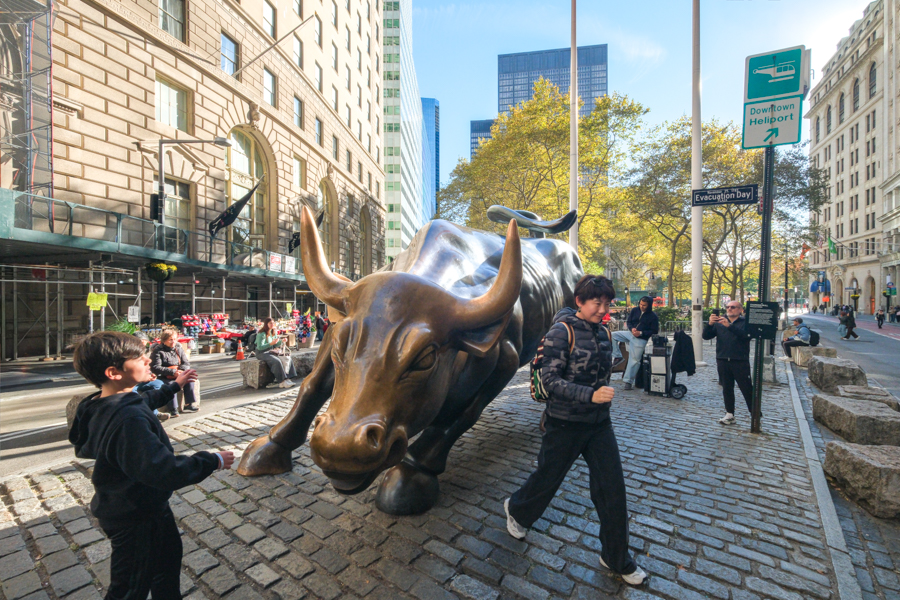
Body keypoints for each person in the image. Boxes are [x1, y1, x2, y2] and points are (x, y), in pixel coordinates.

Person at [69, 331, 234, 600]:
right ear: (114, 372)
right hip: (137, 517)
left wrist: (174, 386)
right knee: (129, 588)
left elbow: (142, 402)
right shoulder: (127, 419)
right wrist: (211, 460)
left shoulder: (103, 403)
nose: (148, 360)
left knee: (166, 566)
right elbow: (163, 470)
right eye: (138, 358)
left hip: (141, 506)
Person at [505, 275, 647, 586]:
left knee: (612, 490)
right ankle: (517, 509)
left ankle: (615, 557)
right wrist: (590, 395)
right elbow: (550, 380)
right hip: (564, 423)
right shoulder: (562, 331)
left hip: (599, 425)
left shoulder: (605, 332)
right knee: (547, 478)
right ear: (579, 302)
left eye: (607, 303)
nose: (603, 309)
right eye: (597, 303)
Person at [702, 301, 753, 425]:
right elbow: (706, 336)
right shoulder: (719, 322)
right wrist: (710, 324)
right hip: (723, 359)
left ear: (740, 309)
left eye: (733, 307)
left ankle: (755, 415)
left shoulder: (745, 322)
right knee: (727, 388)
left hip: (739, 360)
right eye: (728, 307)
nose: (729, 309)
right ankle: (729, 414)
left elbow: (746, 336)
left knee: (747, 389)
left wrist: (729, 326)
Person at [611, 296, 659, 390]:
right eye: (640, 304)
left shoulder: (653, 316)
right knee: (612, 335)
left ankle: (628, 382)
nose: (642, 306)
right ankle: (617, 355)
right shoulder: (635, 310)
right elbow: (629, 322)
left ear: (649, 305)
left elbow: (654, 330)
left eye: (644, 305)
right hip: (630, 334)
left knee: (634, 360)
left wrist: (641, 333)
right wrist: (632, 328)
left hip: (641, 339)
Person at [149, 330, 199, 415]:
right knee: (171, 384)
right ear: (164, 340)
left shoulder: (178, 349)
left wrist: (181, 371)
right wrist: (172, 372)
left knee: (189, 380)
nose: (173, 342)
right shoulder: (158, 351)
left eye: (175, 339)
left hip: (178, 373)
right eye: (170, 339)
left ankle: (189, 404)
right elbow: (155, 367)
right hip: (164, 375)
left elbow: (186, 363)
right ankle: (173, 408)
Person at [256, 317, 299, 388]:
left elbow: (275, 344)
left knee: (286, 358)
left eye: (273, 323)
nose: (272, 324)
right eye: (270, 323)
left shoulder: (273, 332)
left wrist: (281, 341)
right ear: (266, 324)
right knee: (276, 361)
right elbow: (260, 347)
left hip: (271, 351)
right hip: (262, 353)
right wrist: (271, 343)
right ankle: (281, 381)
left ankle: (288, 378)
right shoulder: (262, 334)